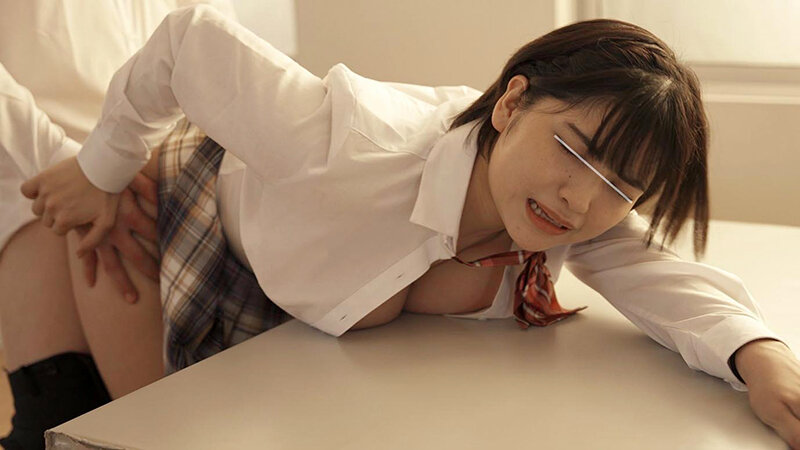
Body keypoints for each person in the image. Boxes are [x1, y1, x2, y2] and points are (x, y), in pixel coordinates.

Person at [17, 5, 800, 448]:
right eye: (574, 150)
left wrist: (760, 357)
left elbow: (657, 275)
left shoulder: (569, 214)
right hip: (192, 213)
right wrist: (102, 170)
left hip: (304, 305)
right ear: (512, 103)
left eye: (621, 188)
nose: (580, 200)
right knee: (107, 427)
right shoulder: (346, 140)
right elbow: (187, 39)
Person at [0, 2, 235, 448]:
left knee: (174, 426)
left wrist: (104, 165)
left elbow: (209, 45)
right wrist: (81, 166)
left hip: (153, 178)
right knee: (59, 416)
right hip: (45, 185)